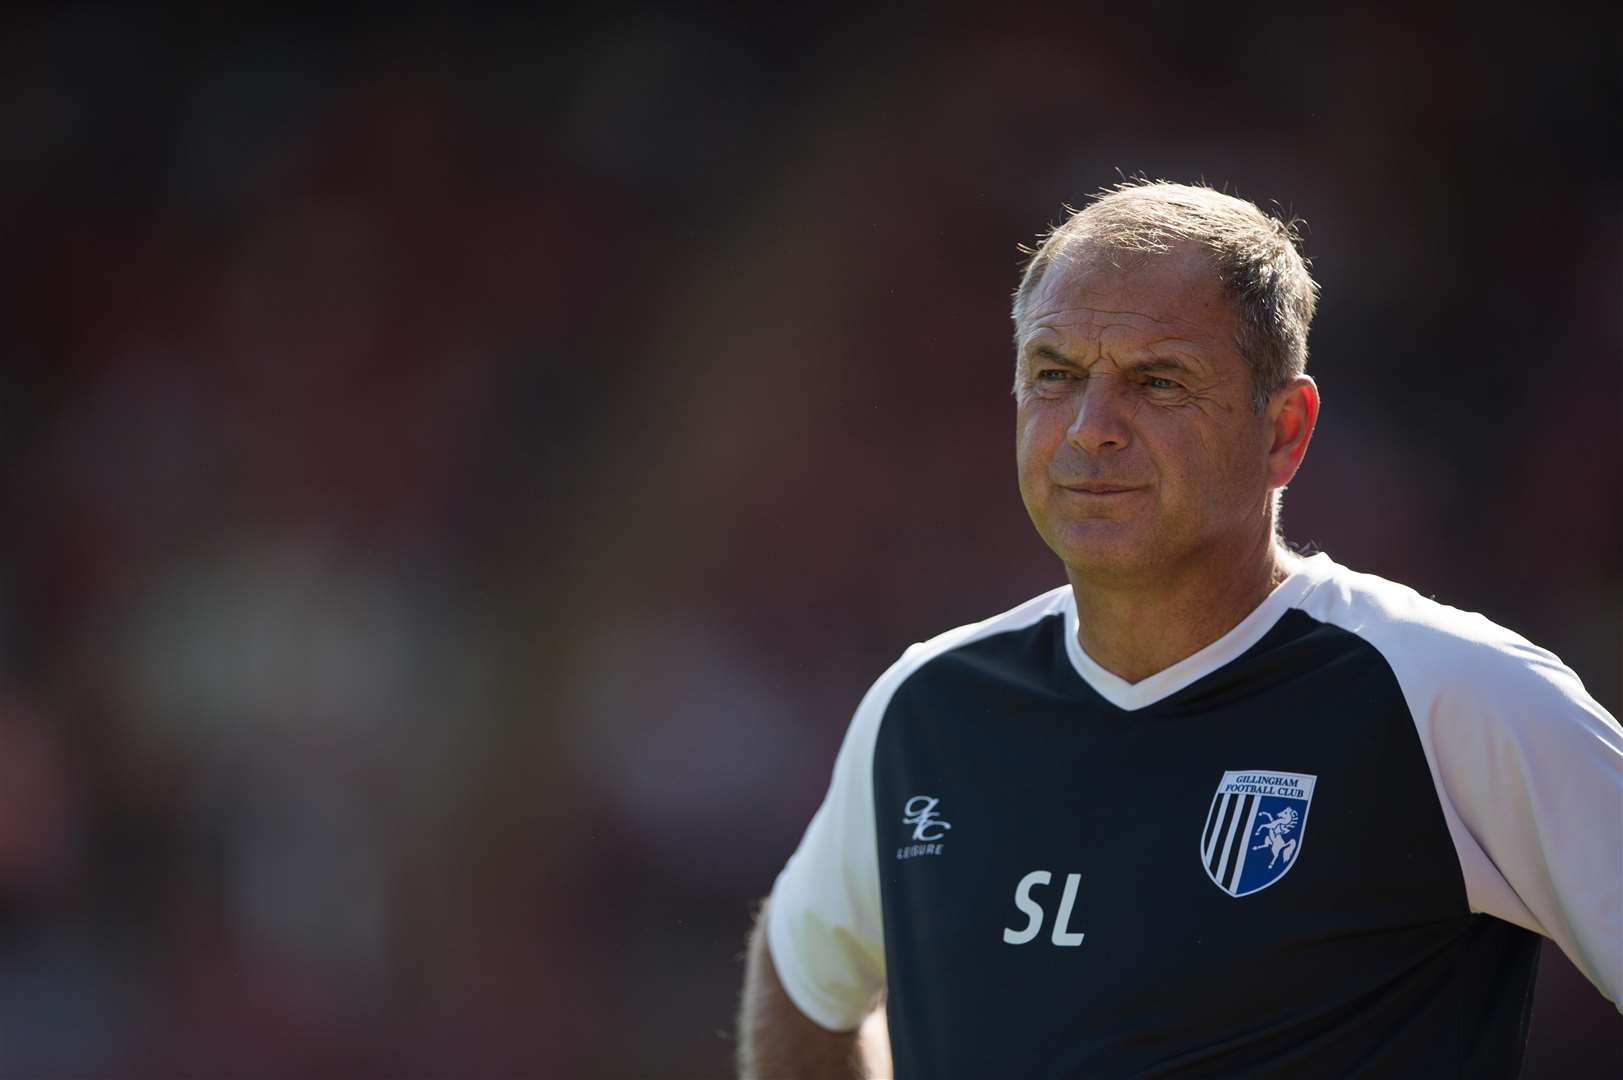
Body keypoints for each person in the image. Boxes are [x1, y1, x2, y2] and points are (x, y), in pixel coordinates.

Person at [734, 181, 1622, 1078]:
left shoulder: (1452, 696)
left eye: (1157, 381)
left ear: (1284, 428)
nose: (1090, 430)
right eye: (1054, 374)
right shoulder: (925, 708)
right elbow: (798, 971)